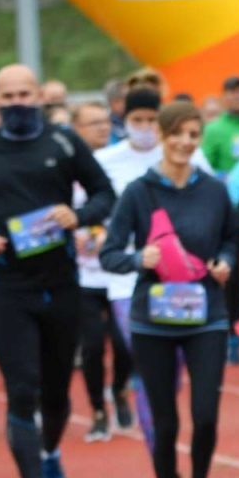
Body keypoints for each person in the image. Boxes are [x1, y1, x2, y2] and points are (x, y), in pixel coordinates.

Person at [0, 64, 115, 478]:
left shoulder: (63, 143)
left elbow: (105, 192)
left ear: (40, 95)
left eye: (25, 93)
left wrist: (78, 214)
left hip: (60, 284)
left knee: (58, 392)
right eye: (8, 96)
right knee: (21, 389)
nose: (17, 102)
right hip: (7, 288)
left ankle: (49, 450)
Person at [101, 101, 239, 478]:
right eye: (176, 133)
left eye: (193, 134)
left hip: (206, 316)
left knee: (205, 414)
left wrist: (226, 263)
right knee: (164, 422)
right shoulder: (139, 192)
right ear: (162, 136)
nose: (185, 142)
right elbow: (110, 253)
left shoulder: (214, 191)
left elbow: (232, 239)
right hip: (153, 321)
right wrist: (138, 259)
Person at [74, 98, 138, 440]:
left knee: (124, 342)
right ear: (76, 129)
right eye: (93, 123)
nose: (102, 128)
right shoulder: (65, 167)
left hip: (119, 271)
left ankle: (120, 390)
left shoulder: (119, 163)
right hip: (83, 274)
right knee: (93, 346)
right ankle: (98, 409)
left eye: (105, 122)